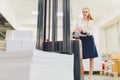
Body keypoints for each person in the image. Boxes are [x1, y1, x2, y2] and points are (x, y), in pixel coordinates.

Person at [73, 7, 98, 80]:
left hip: (90, 39)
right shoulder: (78, 21)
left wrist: (88, 32)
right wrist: (79, 30)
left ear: (88, 13)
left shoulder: (91, 21)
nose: (85, 13)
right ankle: (81, 73)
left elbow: (93, 31)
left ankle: (90, 76)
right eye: (83, 12)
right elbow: (74, 31)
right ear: (82, 12)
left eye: (86, 12)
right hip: (81, 39)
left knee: (92, 58)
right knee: (80, 57)